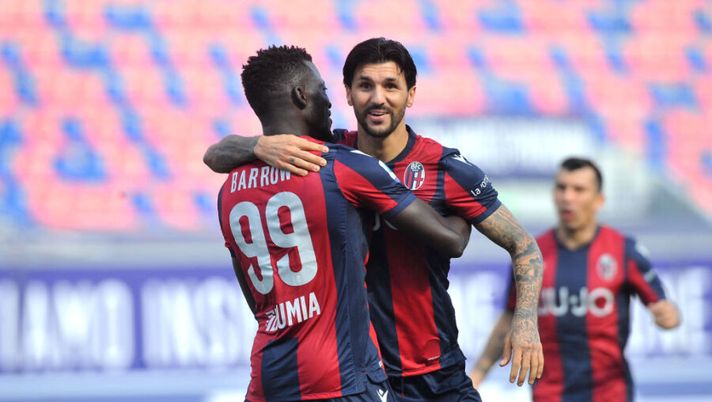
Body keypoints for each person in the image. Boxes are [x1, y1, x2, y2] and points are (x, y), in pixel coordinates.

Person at [206, 38, 545, 401]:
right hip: (358, 377)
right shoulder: (322, 157)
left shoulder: (444, 168)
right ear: (348, 94)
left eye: (391, 86)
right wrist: (257, 145)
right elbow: (214, 155)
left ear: (410, 95)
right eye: (365, 85)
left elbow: (523, 246)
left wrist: (525, 324)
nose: (378, 98)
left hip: (432, 374)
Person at [469, 157, 681, 402]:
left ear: (599, 200)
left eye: (579, 189)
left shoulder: (623, 251)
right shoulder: (530, 254)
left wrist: (668, 316)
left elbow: (664, 308)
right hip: (550, 394)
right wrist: (477, 375)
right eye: (561, 188)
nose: (568, 197)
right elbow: (510, 320)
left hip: (609, 394)